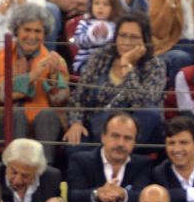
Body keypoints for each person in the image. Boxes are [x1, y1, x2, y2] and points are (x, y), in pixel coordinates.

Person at [0, 3, 69, 165]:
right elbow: (0, 93)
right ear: (17, 31)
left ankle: (45, 173)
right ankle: (16, 170)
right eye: (27, 30)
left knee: (48, 115)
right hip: (8, 122)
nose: (32, 36)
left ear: (45, 34)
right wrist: (32, 76)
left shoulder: (55, 60)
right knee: (16, 114)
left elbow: (60, 101)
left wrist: (55, 77)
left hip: (43, 125)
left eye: (38, 31)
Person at [64, 12, 167, 147]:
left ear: (145, 41)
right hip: (99, 126)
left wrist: (127, 64)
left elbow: (144, 102)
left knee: (149, 113)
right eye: (122, 35)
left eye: (134, 37)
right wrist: (76, 122)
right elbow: (78, 97)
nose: (126, 42)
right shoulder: (100, 57)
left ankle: (121, 151)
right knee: (75, 147)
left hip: (137, 131)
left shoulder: (155, 65)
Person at [66, 112, 152, 202]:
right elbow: (72, 196)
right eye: (115, 136)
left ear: (135, 142)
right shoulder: (80, 161)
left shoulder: (142, 164)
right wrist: (97, 194)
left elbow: (144, 196)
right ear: (103, 137)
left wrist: (123, 194)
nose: (121, 143)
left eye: (127, 138)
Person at [71, 0, 122, 75]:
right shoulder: (85, 22)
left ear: (114, 7)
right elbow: (77, 41)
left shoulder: (116, 25)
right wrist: (92, 35)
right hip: (86, 61)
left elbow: (118, 44)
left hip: (108, 62)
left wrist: (108, 35)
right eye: (96, 3)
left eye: (105, 4)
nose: (100, 7)